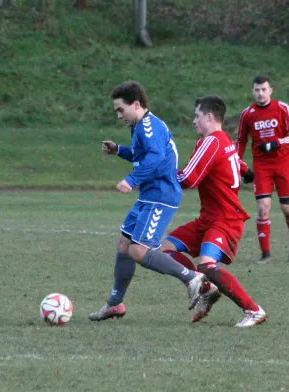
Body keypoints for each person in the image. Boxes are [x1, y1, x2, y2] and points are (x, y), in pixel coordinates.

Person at [88, 81, 206, 322]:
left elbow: (156, 156)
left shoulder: (149, 126)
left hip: (161, 195)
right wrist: (119, 150)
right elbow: (141, 153)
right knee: (124, 244)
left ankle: (191, 278)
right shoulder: (140, 127)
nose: (119, 115)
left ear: (136, 104)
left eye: (121, 109)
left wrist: (131, 180)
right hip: (149, 195)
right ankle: (115, 303)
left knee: (139, 250)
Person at [160, 95, 266, 327]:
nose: (193, 121)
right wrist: (249, 174)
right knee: (163, 250)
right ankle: (206, 288)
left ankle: (253, 310)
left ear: (209, 117)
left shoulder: (211, 142)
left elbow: (188, 178)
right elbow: (241, 166)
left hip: (225, 219)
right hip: (208, 219)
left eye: (197, 116)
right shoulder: (224, 140)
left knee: (206, 265)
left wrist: (160, 175)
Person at [236, 75, 289, 264]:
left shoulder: (282, 108)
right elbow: (241, 141)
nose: (260, 93)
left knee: (288, 209)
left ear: (270, 91)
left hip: (284, 164)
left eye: (264, 89)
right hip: (262, 166)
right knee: (263, 207)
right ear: (252, 91)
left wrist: (276, 144)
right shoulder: (247, 114)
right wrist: (237, 164)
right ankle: (265, 255)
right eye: (257, 90)